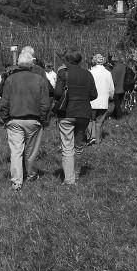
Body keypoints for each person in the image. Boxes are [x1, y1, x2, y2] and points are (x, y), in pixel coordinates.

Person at [0, 52, 51, 191]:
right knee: (31, 151)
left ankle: (16, 182)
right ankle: (31, 174)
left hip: (14, 120)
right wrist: (43, 119)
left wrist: (5, 118)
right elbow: (45, 103)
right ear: (32, 64)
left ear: (18, 64)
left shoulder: (10, 79)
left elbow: (4, 102)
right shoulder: (39, 79)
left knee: (16, 152)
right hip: (34, 120)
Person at [54, 49, 97, 185]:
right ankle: (76, 173)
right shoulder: (88, 74)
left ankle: (69, 179)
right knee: (78, 145)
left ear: (66, 60)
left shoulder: (63, 73)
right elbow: (94, 95)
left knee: (67, 146)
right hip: (84, 113)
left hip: (67, 112)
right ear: (80, 60)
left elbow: (57, 94)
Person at [87, 54, 114, 145]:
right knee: (99, 122)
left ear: (94, 61)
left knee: (91, 120)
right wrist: (111, 97)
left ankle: (91, 138)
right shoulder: (108, 73)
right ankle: (98, 141)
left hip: (91, 101)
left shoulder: (90, 72)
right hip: (103, 101)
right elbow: (111, 89)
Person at [110, 53, 132, 119]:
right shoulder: (124, 67)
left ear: (115, 61)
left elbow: (113, 81)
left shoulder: (115, 69)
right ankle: (113, 115)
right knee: (118, 103)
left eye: (112, 62)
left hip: (116, 89)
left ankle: (119, 118)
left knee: (117, 104)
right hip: (124, 88)